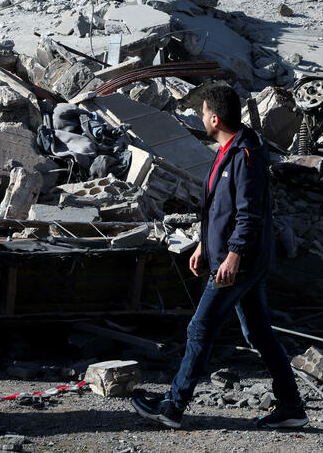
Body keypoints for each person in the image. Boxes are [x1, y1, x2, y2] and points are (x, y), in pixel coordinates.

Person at [131, 85, 306, 430]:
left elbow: (249, 214)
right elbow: (216, 210)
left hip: (239, 262)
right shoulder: (229, 149)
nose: (200, 118)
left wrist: (232, 257)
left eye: (202, 112)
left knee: (200, 327)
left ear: (215, 117)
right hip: (233, 257)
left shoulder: (245, 156)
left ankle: (173, 406)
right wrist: (203, 245)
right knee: (258, 332)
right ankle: (291, 407)